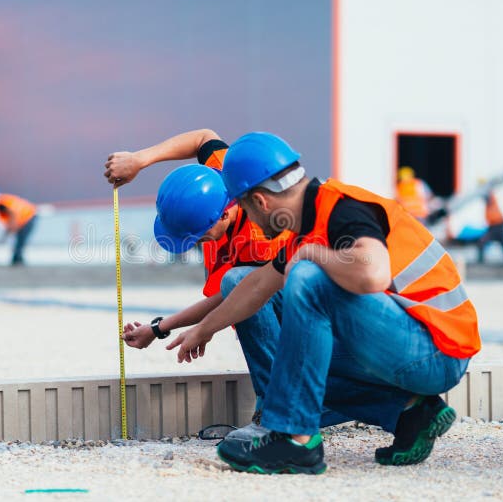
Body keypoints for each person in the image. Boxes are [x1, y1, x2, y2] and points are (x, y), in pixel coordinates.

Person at [167, 132, 480, 474]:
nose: (248, 221)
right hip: (408, 341)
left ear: (261, 202)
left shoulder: (342, 209)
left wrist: (314, 256)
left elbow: (373, 274)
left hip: (436, 352)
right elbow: (255, 287)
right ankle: (409, 412)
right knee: (249, 283)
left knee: (307, 276)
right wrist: (202, 330)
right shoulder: (311, 224)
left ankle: (295, 440)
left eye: (243, 208)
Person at [104, 131, 288, 376]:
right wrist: (139, 160)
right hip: (263, 285)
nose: (197, 244)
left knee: (241, 288)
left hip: (303, 310)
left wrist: (167, 328)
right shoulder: (223, 173)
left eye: (199, 236)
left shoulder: (260, 237)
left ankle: (275, 401)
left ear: (224, 214)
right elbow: (203, 138)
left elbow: (233, 298)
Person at [0, 188, 37, 266]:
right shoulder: (1, 203)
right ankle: (16, 258)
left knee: (21, 239)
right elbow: (9, 219)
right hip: (24, 217)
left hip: (28, 217)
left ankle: (17, 259)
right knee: (19, 240)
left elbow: (13, 215)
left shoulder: (1, 203)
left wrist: (12, 228)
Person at [477, 183, 503, 265]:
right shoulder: (489, 204)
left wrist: (483, 188)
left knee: (485, 241)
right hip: (494, 225)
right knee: (502, 243)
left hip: (498, 225)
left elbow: (487, 195)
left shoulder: (491, 199)